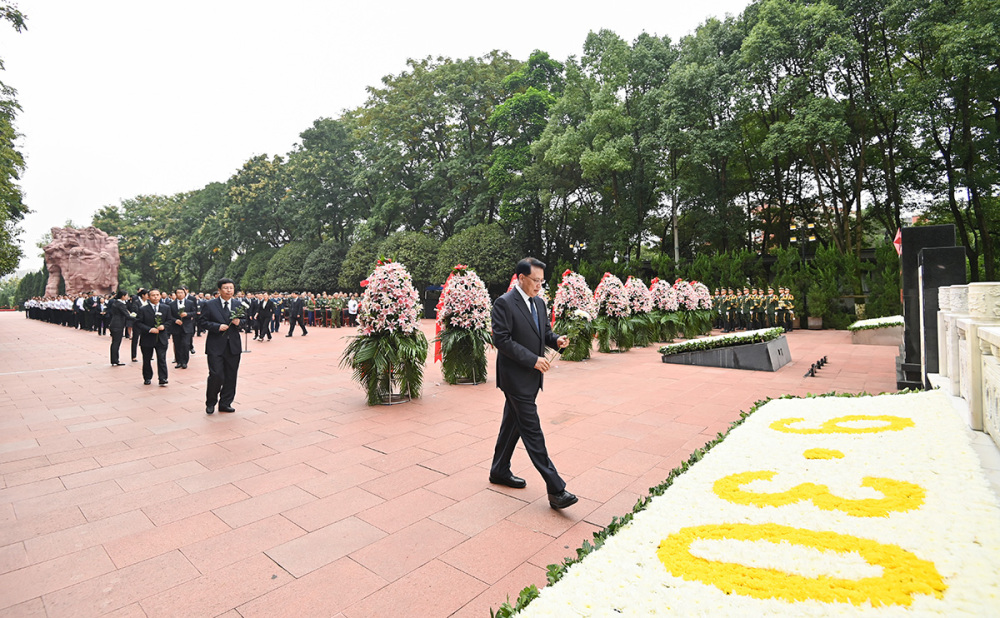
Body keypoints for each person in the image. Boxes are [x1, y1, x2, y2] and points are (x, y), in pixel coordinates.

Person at [489, 257, 576, 510]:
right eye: (535, 281)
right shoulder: (504, 303)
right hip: (515, 378)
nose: (539, 286)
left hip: (532, 377)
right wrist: (533, 360)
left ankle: (499, 470)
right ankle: (556, 489)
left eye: (542, 281)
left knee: (512, 424)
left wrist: (557, 339)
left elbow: (545, 332)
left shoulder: (539, 303)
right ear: (521, 278)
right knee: (532, 432)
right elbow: (502, 341)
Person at [198, 278, 244, 414]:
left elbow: (247, 322)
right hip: (215, 346)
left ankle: (225, 403)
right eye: (226, 288)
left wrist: (239, 322)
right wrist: (217, 327)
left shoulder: (238, 304)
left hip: (233, 346)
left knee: (231, 376)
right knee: (216, 375)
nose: (229, 290)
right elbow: (202, 322)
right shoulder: (210, 304)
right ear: (219, 290)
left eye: (231, 288)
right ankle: (211, 402)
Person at [136, 288, 172, 386]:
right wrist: (149, 329)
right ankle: (147, 377)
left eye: (157, 295)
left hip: (161, 338)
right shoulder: (143, 309)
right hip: (147, 338)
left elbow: (169, 320)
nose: (155, 297)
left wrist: (164, 326)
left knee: (162, 358)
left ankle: (163, 378)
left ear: (160, 296)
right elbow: (138, 323)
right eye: (153, 295)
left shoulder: (166, 308)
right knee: (147, 359)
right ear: (148, 297)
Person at [170, 287, 196, 369]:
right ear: (175, 294)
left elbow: (194, 312)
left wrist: (187, 314)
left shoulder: (190, 303)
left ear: (185, 293)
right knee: (177, 345)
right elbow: (169, 316)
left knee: (185, 344)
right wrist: (175, 320)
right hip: (176, 327)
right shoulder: (171, 304)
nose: (180, 294)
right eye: (178, 293)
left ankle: (184, 361)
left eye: (182, 292)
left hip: (187, 326)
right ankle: (178, 361)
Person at [107, 290, 130, 366]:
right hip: (118, 325)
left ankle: (114, 360)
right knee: (116, 343)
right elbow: (127, 315)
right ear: (123, 296)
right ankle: (115, 360)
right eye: (126, 295)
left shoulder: (115, 302)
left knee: (114, 343)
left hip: (114, 323)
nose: (127, 297)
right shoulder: (120, 304)